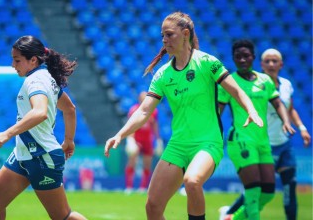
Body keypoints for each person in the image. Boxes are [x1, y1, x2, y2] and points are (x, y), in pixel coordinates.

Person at [104, 11, 264, 220]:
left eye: (169, 34)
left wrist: (251, 110)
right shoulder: (163, 74)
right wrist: (120, 135)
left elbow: (236, 91)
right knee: (152, 207)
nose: (164, 40)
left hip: (208, 143)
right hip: (178, 146)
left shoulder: (207, 62)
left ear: (185, 34)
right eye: (162, 35)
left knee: (192, 181)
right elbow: (144, 110)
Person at [0, 35, 86, 220]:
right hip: (23, 154)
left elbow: (40, 112)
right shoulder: (47, 76)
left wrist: (7, 133)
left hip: (41, 156)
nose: (12, 65)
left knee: (63, 216)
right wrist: (69, 141)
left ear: (33, 60)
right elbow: (70, 109)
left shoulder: (35, 81)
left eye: (17, 60)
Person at [219, 48, 311, 220]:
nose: (271, 64)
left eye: (274, 61)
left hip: (279, 143)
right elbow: (219, 109)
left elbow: (287, 108)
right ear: (261, 63)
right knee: (253, 190)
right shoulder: (236, 82)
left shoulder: (281, 84)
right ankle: (234, 213)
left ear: (281, 64)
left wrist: (298, 126)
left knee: (277, 189)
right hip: (248, 140)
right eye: (267, 61)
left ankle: (230, 217)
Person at [124, 91, 162, 193]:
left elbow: (155, 125)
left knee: (147, 163)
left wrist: (158, 139)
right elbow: (130, 124)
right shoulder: (134, 110)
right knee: (132, 160)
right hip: (136, 139)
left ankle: (143, 187)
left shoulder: (153, 111)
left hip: (147, 140)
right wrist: (130, 139)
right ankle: (129, 187)